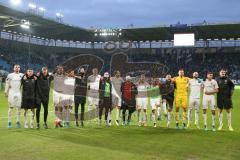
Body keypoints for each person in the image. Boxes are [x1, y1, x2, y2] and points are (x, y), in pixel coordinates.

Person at [4, 64, 24, 128]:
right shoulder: (10, 75)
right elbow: (7, 84)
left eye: (18, 67)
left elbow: (25, 82)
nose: (17, 68)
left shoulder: (22, 75)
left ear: (20, 68)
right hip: (11, 93)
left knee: (19, 108)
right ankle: (9, 122)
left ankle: (18, 121)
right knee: (11, 107)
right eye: (16, 67)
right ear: (13, 68)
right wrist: (5, 91)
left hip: (18, 93)